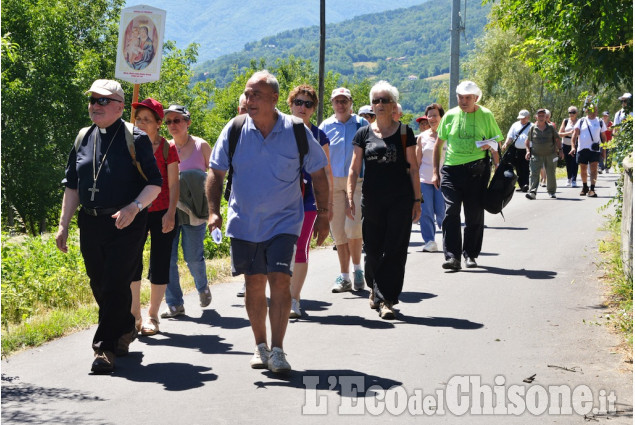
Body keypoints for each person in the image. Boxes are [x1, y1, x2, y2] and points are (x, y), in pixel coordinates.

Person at [206, 70, 330, 373]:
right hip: (245, 222)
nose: (248, 100)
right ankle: (260, 346)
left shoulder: (297, 131)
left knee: (280, 280)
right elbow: (215, 173)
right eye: (247, 94)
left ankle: (278, 350)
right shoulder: (234, 129)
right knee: (254, 283)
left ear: (274, 99)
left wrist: (324, 215)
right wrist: (213, 212)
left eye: (255, 95)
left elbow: (318, 174)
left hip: (285, 221)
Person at [55, 79, 162, 373]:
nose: (95, 106)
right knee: (99, 282)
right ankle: (125, 326)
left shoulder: (135, 139)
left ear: (119, 106)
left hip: (125, 223)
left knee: (116, 282)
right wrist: (63, 225)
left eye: (102, 101)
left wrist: (134, 207)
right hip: (90, 222)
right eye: (92, 100)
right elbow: (73, 186)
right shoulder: (82, 137)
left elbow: (155, 183)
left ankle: (104, 349)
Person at [347, 80, 421, 319]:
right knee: (373, 250)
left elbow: (413, 168)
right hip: (373, 200)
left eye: (384, 100)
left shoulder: (404, 131)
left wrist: (417, 200)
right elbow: (354, 168)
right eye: (375, 100)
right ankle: (374, 288)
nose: (379, 104)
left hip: (400, 199)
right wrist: (350, 196)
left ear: (393, 105)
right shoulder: (363, 133)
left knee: (396, 250)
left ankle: (385, 299)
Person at [432, 80, 502, 271]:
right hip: (451, 170)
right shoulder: (450, 115)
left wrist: (497, 166)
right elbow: (438, 145)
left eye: (467, 98)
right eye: (460, 97)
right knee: (451, 211)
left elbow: (497, 144)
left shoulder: (486, 115)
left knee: (474, 214)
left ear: (476, 98)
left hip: (477, 171)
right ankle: (452, 257)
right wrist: (434, 172)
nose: (463, 101)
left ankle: (470, 254)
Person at [129, 98, 180, 336]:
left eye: (146, 119)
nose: (140, 123)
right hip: (135, 212)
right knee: (132, 263)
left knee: (159, 263)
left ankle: (152, 316)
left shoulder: (167, 148)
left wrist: (171, 213)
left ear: (159, 124)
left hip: (161, 212)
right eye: (138, 118)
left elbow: (173, 184)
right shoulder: (129, 145)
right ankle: (134, 315)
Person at [162, 104, 213, 318]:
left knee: (193, 257)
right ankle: (175, 304)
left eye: (177, 120)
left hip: (196, 211)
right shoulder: (165, 148)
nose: (173, 125)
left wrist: (213, 211)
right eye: (168, 121)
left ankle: (202, 287)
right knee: (167, 258)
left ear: (187, 122)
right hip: (170, 210)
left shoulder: (202, 146)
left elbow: (214, 179)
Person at [287, 84, 333, 318]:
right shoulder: (278, 130)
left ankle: (294, 299)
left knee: (301, 249)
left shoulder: (318, 135)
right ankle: (283, 295)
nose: (302, 107)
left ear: (314, 109)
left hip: (308, 201)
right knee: (281, 250)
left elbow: (326, 173)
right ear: (290, 104)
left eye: (308, 104)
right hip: (281, 200)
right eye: (298, 102)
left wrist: (327, 209)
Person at [319, 88, 368, 293]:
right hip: (333, 184)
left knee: (353, 228)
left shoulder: (362, 124)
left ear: (351, 102)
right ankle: (344, 276)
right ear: (332, 103)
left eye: (344, 100)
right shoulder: (326, 126)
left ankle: (358, 270)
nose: (340, 104)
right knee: (338, 231)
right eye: (337, 101)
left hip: (356, 182)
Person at [416, 103, 446, 252]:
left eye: (435, 115)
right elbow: (417, 161)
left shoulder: (448, 135)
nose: (432, 118)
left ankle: (449, 239)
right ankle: (429, 241)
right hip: (423, 180)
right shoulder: (422, 137)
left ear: (441, 117)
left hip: (443, 180)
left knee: (442, 212)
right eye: (429, 116)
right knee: (425, 211)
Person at [524, 108, 564, 200]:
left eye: (543, 115)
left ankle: (551, 192)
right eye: (539, 115)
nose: (541, 117)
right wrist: (528, 151)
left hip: (550, 154)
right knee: (533, 173)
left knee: (551, 173)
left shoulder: (550, 128)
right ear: (536, 117)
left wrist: (561, 150)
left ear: (546, 117)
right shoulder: (532, 128)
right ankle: (532, 192)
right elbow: (527, 141)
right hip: (536, 155)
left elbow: (557, 139)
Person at [571, 103, 606, 198]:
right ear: (587, 111)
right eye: (592, 110)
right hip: (582, 149)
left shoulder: (600, 121)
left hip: (595, 149)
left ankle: (592, 189)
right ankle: (585, 186)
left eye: (595, 110)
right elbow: (574, 135)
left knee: (594, 169)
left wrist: (604, 150)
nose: (594, 112)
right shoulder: (581, 121)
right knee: (583, 169)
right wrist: (573, 147)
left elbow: (603, 137)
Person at [501, 110, 532, 192]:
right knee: (518, 167)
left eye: (523, 118)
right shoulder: (515, 125)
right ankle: (521, 185)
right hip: (516, 150)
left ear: (528, 117)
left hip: (528, 150)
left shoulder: (532, 126)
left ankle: (526, 184)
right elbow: (510, 136)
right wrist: (506, 144)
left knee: (525, 167)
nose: (521, 120)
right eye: (521, 118)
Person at [558, 106, 580, 187]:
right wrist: (569, 132)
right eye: (570, 112)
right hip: (566, 144)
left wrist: (575, 133)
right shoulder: (566, 121)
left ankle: (574, 180)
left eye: (573, 112)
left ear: (576, 113)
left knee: (575, 162)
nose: (571, 114)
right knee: (568, 162)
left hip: (576, 144)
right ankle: (569, 178)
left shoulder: (579, 121)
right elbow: (560, 133)